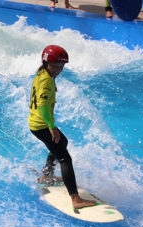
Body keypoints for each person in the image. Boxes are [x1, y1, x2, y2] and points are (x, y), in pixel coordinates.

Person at [29, 45, 97, 209]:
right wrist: (51, 126)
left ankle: (47, 175)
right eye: (56, 66)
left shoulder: (42, 73)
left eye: (62, 66)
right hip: (42, 125)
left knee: (62, 143)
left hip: (38, 123)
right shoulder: (46, 80)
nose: (59, 70)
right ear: (46, 63)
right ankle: (75, 199)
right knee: (65, 159)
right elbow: (43, 105)